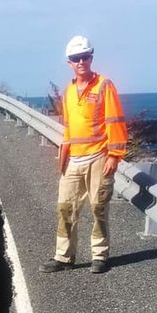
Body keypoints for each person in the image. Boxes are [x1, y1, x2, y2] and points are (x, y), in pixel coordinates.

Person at [39, 35, 128, 274]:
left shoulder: (103, 85)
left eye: (85, 57)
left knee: (98, 206)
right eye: (76, 58)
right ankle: (63, 256)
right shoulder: (68, 92)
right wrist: (64, 155)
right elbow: (68, 128)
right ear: (69, 62)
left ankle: (99, 255)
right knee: (65, 207)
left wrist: (114, 155)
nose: (81, 62)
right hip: (74, 160)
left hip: (99, 156)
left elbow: (115, 121)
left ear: (91, 58)